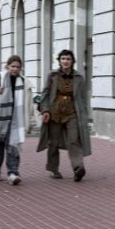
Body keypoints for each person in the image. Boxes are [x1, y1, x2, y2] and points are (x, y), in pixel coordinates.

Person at [37, 49, 92, 180]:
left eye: (68, 59)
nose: (65, 61)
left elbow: (83, 98)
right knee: (53, 143)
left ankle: (78, 168)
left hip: (72, 113)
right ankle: (53, 168)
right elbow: (45, 94)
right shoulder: (52, 75)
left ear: (72, 61)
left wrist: (83, 114)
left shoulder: (79, 77)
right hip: (54, 113)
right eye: (63, 59)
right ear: (59, 61)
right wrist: (45, 110)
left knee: (73, 140)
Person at [0, 55, 28, 185]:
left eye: (17, 67)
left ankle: (13, 172)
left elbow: (27, 102)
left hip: (15, 119)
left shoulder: (23, 81)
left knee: (13, 145)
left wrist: (29, 120)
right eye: (12, 66)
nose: (15, 69)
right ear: (7, 66)